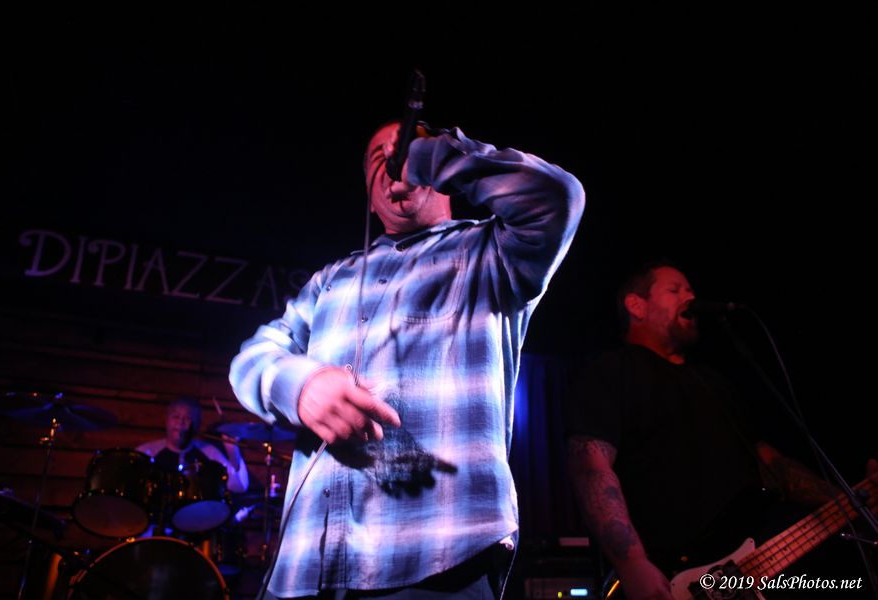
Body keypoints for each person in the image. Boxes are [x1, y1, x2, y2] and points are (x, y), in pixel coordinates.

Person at [230, 120, 584, 598]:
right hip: (306, 566)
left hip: (438, 556)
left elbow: (556, 198)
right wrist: (300, 385)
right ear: (368, 194)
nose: (394, 165)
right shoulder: (331, 280)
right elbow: (253, 356)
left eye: (406, 152)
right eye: (380, 160)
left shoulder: (489, 252)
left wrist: (433, 155)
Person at [564, 261, 876, 600]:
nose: (690, 296)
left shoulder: (714, 383)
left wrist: (854, 500)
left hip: (741, 571)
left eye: (690, 289)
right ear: (636, 305)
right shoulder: (613, 370)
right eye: (675, 290)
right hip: (670, 576)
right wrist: (632, 562)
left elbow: (771, 466)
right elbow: (591, 466)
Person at [137, 396, 249, 495]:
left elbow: (239, 487)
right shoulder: (146, 452)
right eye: (175, 416)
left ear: (198, 424)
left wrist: (232, 450)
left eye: (188, 418)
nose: (180, 423)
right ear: (166, 420)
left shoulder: (209, 452)